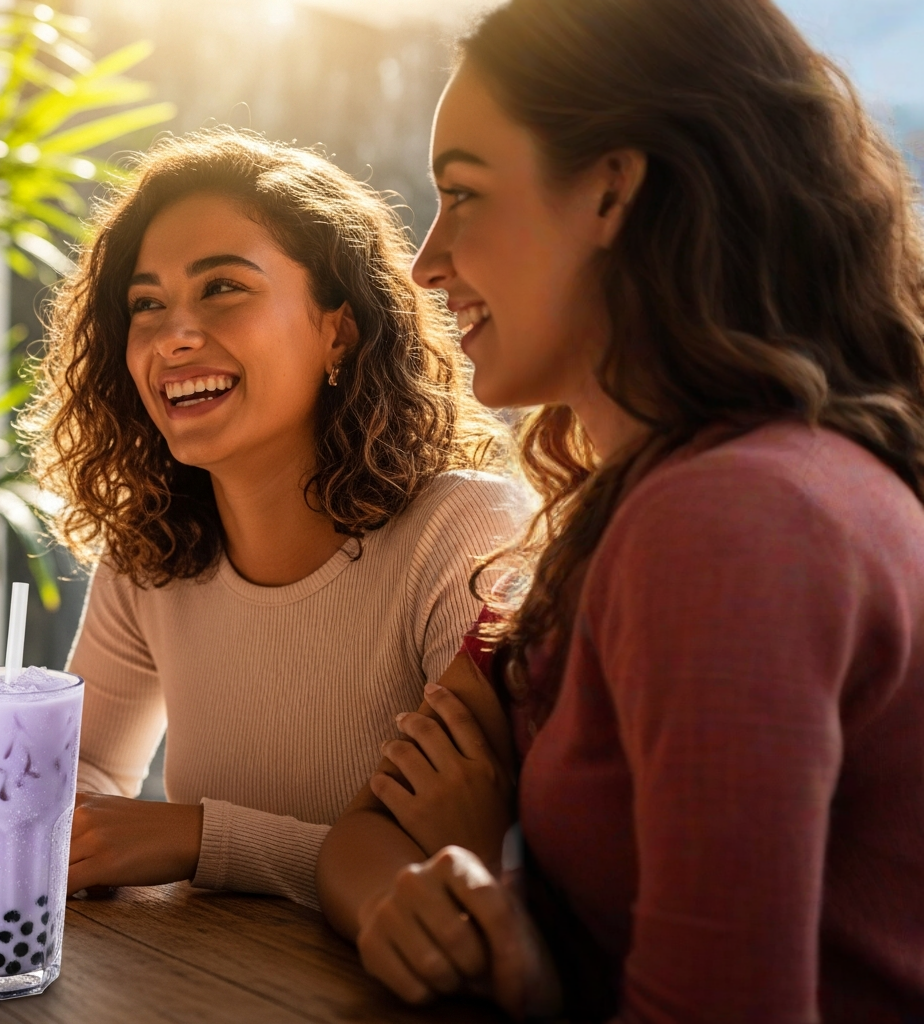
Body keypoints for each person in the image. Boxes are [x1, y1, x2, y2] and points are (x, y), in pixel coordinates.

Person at [316, 0, 924, 1019]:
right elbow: (367, 828)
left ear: (611, 191)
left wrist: (519, 925)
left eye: (463, 194)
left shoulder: (734, 522)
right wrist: (439, 903)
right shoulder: (631, 511)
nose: (426, 261)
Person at [22, 129, 530, 908]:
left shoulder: (462, 534)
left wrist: (202, 839)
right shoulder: (149, 550)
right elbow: (83, 771)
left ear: (339, 331)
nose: (173, 337)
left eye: (222, 288)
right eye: (146, 305)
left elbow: (456, 861)